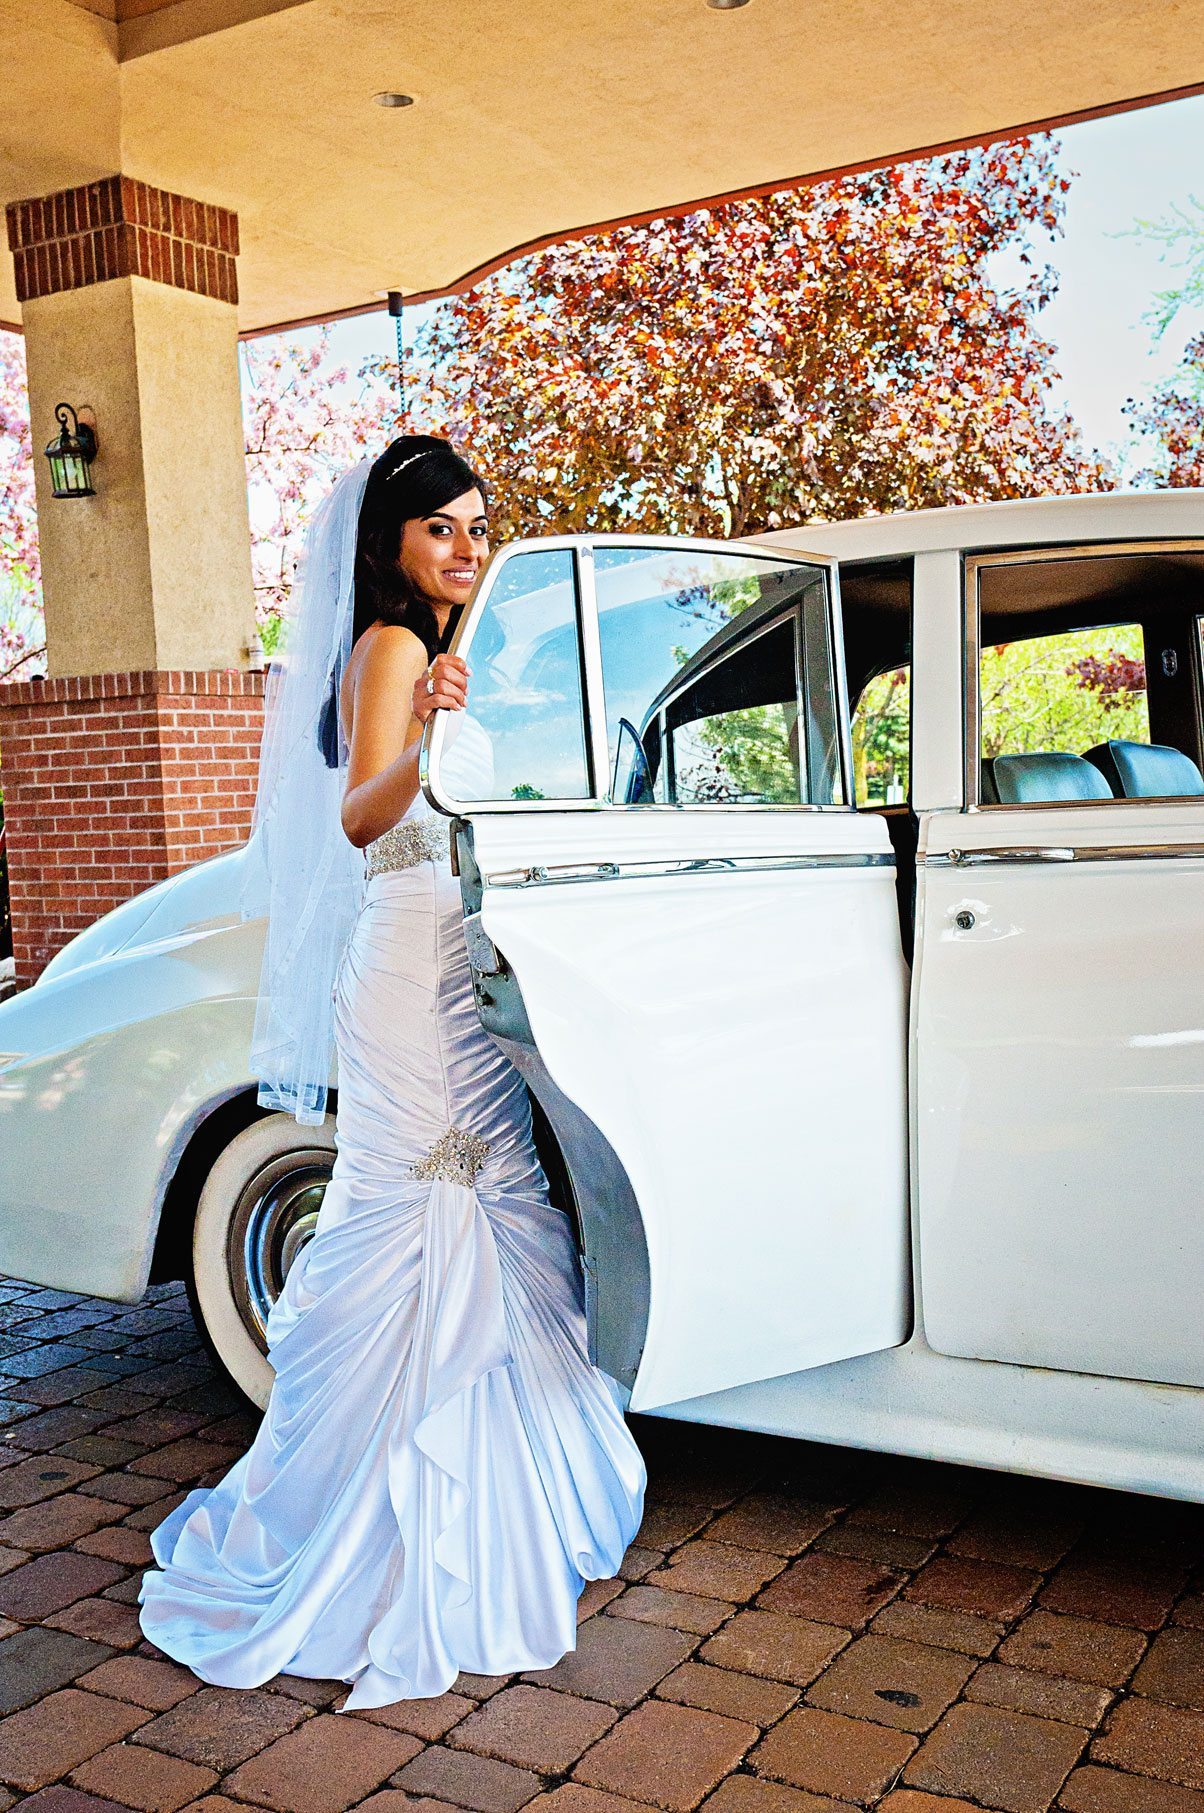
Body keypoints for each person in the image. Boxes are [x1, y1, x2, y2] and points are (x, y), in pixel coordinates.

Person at [137, 434, 647, 1710]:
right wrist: (429, 733)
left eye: (479, 526)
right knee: (424, 1194)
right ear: (392, 542)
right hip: (405, 959)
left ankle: (492, 1489)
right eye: (443, 529)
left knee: (481, 1192)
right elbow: (364, 813)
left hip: (442, 947)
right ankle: (385, 1518)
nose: (468, 547)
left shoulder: (437, 650)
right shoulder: (393, 649)